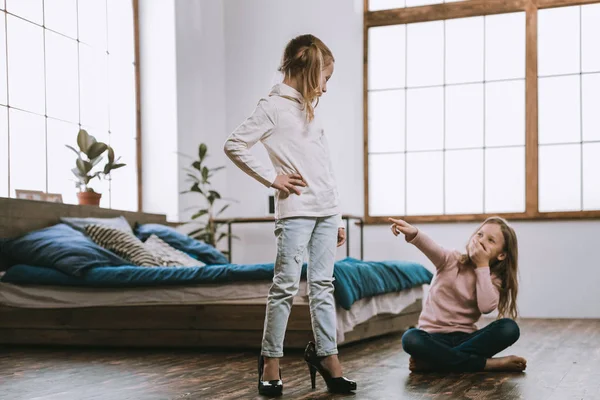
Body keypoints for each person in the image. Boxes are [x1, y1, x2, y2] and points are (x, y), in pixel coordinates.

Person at [224, 34, 356, 396]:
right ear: (308, 69)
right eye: (325, 78)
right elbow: (234, 144)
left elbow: (324, 167)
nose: (326, 88)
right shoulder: (272, 107)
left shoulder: (309, 109)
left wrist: (338, 216)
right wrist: (273, 178)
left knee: (323, 287)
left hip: (327, 212)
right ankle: (270, 361)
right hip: (296, 212)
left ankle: (328, 358)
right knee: (283, 286)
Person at [390, 216, 527, 373]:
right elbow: (431, 247)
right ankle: (485, 364)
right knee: (410, 338)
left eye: (491, 240)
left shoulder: (493, 278)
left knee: (509, 328)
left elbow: (486, 307)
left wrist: (482, 265)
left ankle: (435, 363)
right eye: (480, 234)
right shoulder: (450, 260)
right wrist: (414, 233)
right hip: (433, 338)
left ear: (501, 255)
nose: (481, 240)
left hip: (467, 338)